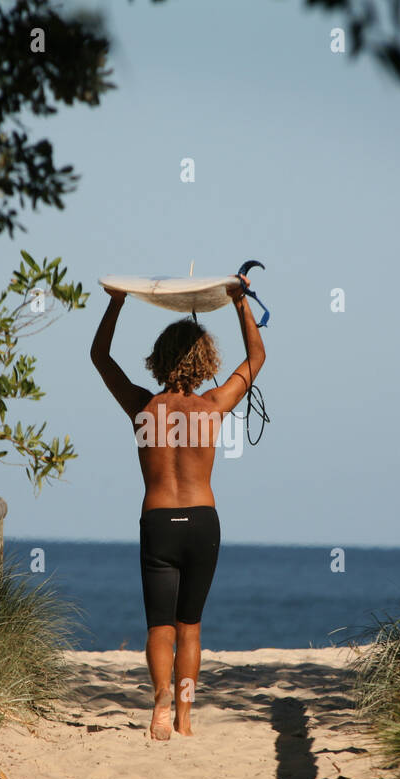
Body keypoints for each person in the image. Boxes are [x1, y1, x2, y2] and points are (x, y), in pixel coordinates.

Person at [90, 275, 266, 739]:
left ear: (159, 359)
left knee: (159, 625)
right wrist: (239, 302)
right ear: (205, 360)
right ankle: (186, 718)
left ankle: (161, 703)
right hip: (202, 524)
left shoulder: (142, 406)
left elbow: (100, 359)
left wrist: (117, 303)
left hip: (159, 522)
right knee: (190, 626)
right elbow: (256, 358)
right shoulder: (213, 406)